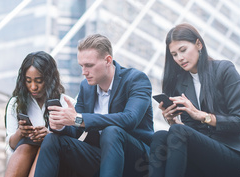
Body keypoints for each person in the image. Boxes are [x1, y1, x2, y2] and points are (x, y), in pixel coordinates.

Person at [34, 34, 154, 177]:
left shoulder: (136, 80)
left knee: (112, 132)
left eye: (89, 65)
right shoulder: (86, 87)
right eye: (81, 66)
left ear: (108, 60)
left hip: (137, 159)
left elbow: (130, 119)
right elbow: (77, 129)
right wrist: (62, 124)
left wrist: (78, 119)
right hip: (102, 157)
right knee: (52, 140)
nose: (84, 72)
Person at [149, 23, 240, 177]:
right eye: (174, 54)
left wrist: (202, 116)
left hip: (231, 155)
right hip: (204, 155)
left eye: (183, 50)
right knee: (160, 136)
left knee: (178, 131)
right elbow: (190, 132)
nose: (180, 58)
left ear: (198, 44)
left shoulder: (224, 70)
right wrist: (173, 122)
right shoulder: (182, 84)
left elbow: (239, 122)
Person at [4, 51, 72, 177]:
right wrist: (21, 132)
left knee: (44, 148)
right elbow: (11, 146)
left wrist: (49, 136)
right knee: (25, 146)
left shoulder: (66, 103)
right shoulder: (15, 104)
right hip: (24, 158)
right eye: (28, 81)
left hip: (59, 163)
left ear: (49, 79)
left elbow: (75, 143)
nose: (33, 87)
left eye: (39, 81)